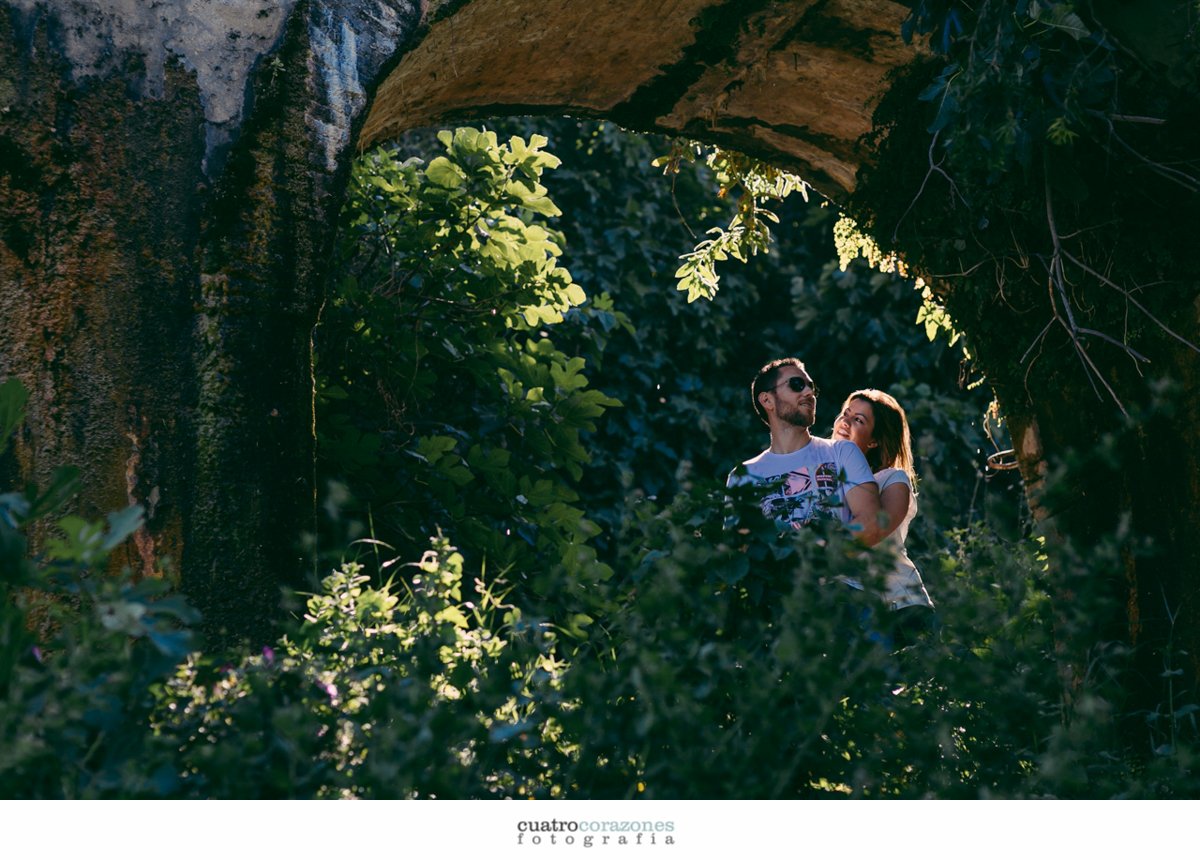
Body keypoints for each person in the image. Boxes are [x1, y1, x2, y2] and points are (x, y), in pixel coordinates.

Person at [727, 358, 883, 546]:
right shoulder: (743, 476)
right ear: (767, 400)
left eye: (811, 387)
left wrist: (812, 559)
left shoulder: (842, 452)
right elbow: (736, 547)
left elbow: (871, 523)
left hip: (838, 574)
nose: (809, 392)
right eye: (797, 384)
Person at [833, 388, 936, 646]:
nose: (846, 421)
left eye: (859, 420)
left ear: (874, 441)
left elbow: (877, 526)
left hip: (899, 604)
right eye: (846, 413)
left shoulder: (892, 479)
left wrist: (821, 549)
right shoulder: (827, 479)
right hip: (851, 599)